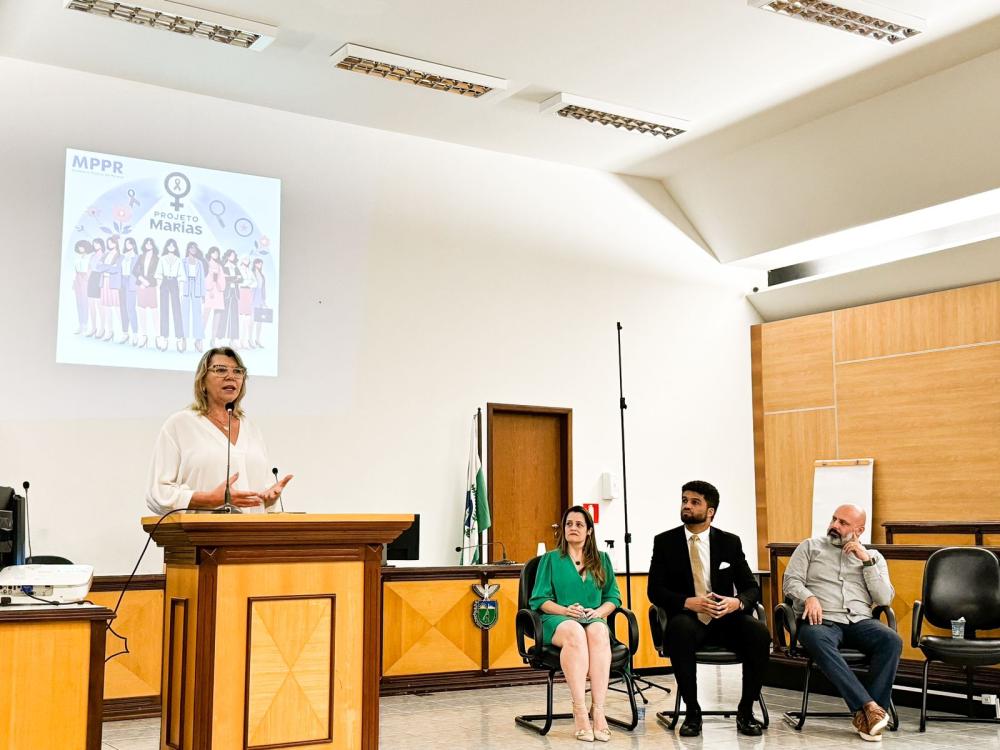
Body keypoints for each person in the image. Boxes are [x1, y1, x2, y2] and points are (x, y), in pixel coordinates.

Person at [647, 480, 770, 737]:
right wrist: (686, 601)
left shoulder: (729, 542)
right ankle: (692, 712)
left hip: (725, 617)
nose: (687, 506)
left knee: (759, 633)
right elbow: (655, 590)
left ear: (710, 511)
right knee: (678, 629)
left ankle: (746, 711)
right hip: (688, 618)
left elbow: (751, 587)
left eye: (694, 502)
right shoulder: (665, 542)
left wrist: (736, 602)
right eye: (684, 500)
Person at [783, 504, 901, 742]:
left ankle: (867, 719)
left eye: (843, 523)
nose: (834, 526)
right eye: (834, 519)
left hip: (860, 621)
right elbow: (791, 582)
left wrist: (866, 561)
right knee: (816, 638)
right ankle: (870, 708)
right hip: (821, 620)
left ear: (859, 530)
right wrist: (809, 597)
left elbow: (884, 598)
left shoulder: (874, 557)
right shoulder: (809, 547)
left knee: (891, 640)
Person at [146, 347, 293, 514]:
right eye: (221, 370)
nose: (231, 376)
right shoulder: (180, 424)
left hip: (250, 535)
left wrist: (268, 498)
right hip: (199, 535)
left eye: (238, 371)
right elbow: (158, 493)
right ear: (202, 381)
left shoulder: (251, 429)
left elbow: (260, 494)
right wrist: (209, 499)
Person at [529, 505, 620, 742]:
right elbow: (539, 600)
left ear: (589, 531)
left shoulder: (602, 560)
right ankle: (580, 710)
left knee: (600, 631)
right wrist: (566, 610)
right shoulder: (550, 559)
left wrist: (599, 612)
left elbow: (613, 598)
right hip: (557, 619)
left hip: (592, 618)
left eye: (579, 524)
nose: (573, 528)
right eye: (569, 524)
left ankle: (598, 711)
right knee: (575, 631)